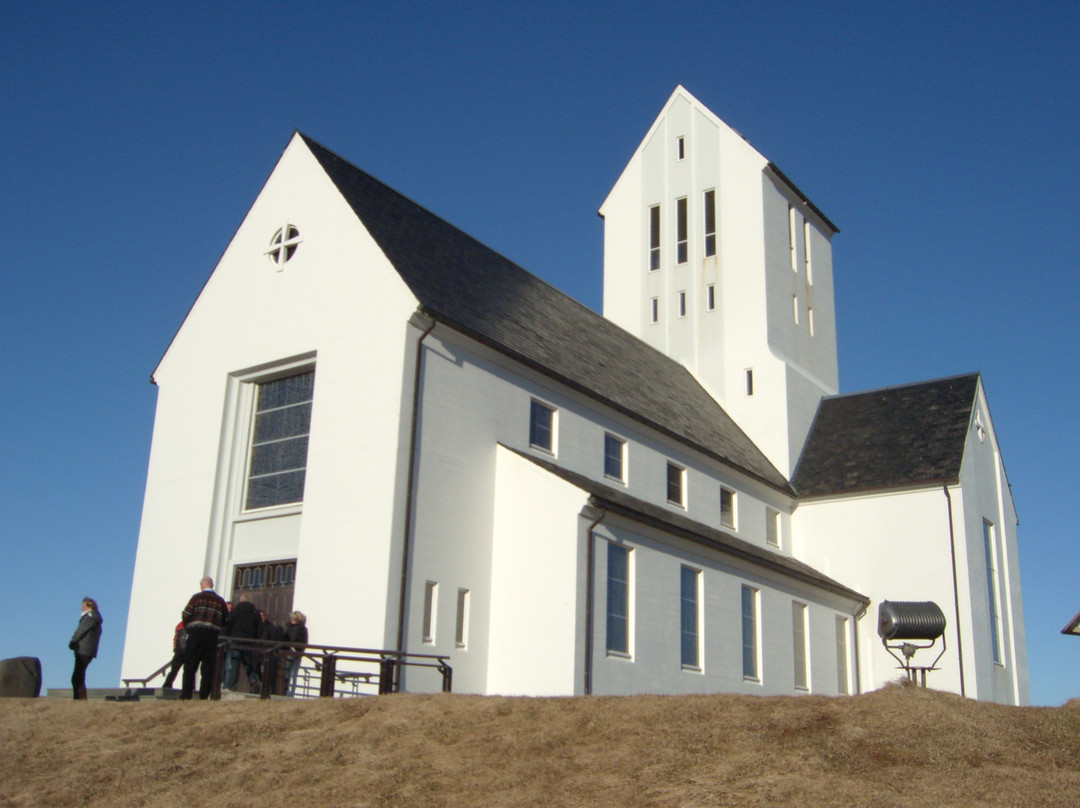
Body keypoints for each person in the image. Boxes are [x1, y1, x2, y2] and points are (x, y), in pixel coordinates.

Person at [179, 576, 228, 700]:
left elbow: (186, 614)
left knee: (190, 666)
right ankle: (204, 695)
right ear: (212, 585)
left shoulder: (196, 598)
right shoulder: (220, 601)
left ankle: (186, 695)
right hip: (212, 636)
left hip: (195, 635)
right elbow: (226, 619)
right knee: (208, 668)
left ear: (202, 586)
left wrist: (189, 627)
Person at [222, 594, 262, 692]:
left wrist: (227, 637)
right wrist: (256, 640)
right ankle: (254, 681)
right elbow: (260, 629)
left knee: (234, 665)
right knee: (249, 665)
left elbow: (228, 624)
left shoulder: (235, 611)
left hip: (235, 641)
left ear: (241, 601)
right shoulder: (255, 612)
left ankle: (231, 687)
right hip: (249, 642)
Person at [69, 597, 103, 700]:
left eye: (83, 606)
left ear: (89, 606)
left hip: (83, 650)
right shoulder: (96, 619)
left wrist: (73, 642)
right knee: (79, 675)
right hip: (90, 650)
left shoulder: (89, 618)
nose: (81, 608)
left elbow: (80, 631)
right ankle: (80, 699)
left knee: (77, 677)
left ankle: (79, 699)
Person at [283, 611, 308, 697]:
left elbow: (304, 643)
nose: (292, 620)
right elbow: (285, 639)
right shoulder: (289, 628)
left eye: (294, 619)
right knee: (287, 673)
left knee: (292, 674)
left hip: (296, 653)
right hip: (290, 652)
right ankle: (285, 692)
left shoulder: (302, 629)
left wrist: (297, 649)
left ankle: (290, 694)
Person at [161, 620, 187, 689]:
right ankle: (167, 685)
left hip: (180, 651)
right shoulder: (188, 625)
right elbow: (175, 638)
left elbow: (176, 638)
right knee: (187, 671)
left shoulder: (180, 625)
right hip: (184, 651)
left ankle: (167, 685)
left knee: (175, 670)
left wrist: (175, 648)